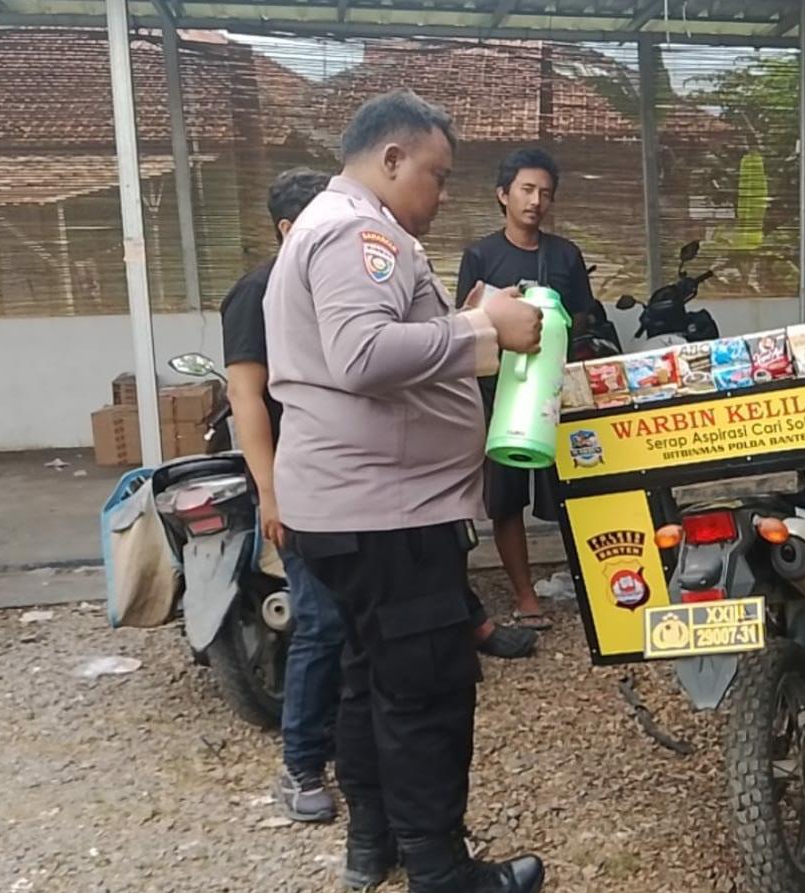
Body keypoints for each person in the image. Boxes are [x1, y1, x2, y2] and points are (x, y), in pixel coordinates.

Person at [264, 89, 546, 893]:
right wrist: (484, 328)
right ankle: (440, 868)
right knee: (426, 687)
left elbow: (375, 343)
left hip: (352, 509)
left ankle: (375, 842)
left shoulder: (328, 226)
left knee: (370, 679)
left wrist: (464, 319)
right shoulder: (359, 232)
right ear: (390, 159)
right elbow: (363, 354)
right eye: (436, 174)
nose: (442, 194)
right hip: (388, 514)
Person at [220, 167, 347, 824]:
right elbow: (246, 397)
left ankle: (352, 746)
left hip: (348, 478)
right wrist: (270, 493)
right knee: (320, 620)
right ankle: (300, 766)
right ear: (287, 228)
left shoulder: (336, 286)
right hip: (295, 483)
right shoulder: (257, 292)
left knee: (355, 619)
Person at [455, 148, 600, 632]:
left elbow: (582, 314)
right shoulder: (480, 256)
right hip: (503, 391)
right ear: (503, 194)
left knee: (574, 487)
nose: (536, 201)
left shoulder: (565, 255)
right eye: (527, 190)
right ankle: (524, 595)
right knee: (506, 496)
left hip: (557, 389)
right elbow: (468, 321)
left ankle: (591, 580)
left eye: (546, 193)